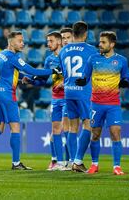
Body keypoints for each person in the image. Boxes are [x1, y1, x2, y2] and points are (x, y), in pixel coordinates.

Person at [0, 30, 61, 170]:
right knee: (15, 128)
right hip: (7, 95)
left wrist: (21, 78)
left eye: (23, 41)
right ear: (11, 42)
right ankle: (16, 163)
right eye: (20, 41)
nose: (23, 43)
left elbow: (8, 73)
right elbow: (32, 70)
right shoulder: (13, 56)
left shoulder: (0, 55)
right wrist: (53, 71)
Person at [75, 31, 129, 175]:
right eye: (100, 42)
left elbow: (126, 77)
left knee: (115, 132)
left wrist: (125, 81)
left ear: (112, 44)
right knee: (95, 134)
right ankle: (94, 164)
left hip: (113, 104)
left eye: (103, 42)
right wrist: (81, 81)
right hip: (96, 104)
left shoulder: (122, 60)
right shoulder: (93, 59)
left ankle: (116, 166)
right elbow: (85, 77)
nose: (100, 44)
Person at [22, 31, 69, 171]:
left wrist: (66, 84)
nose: (48, 44)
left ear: (59, 42)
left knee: (67, 130)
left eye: (51, 41)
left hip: (69, 98)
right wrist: (30, 80)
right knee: (55, 130)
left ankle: (73, 161)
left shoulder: (67, 56)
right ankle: (59, 162)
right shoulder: (49, 59)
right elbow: (43, 81)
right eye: (47, 41)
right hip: (56, 98)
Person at [58, 21, 98, 173]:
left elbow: (64, 72)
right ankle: (78, 161)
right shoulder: (91, 50)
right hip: (83, 92)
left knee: (72, 128)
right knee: (88, 125)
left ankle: (72, 160)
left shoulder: (63, 50)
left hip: (68, 92)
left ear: (73, 33)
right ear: (86, 34)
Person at [59, 27, 74, 169]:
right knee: (66, 128)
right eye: (63, 38)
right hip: (66, 96)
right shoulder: (62, 54)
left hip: (80, 95)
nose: (65, 40)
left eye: (68, 37)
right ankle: (70, 160)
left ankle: (74, 160)